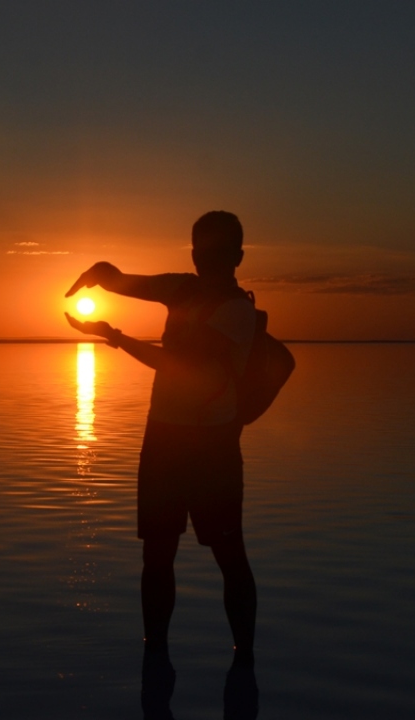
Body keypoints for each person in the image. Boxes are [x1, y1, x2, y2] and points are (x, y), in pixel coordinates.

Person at [64, 211, 258, 667]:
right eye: (200, 251)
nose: (204, 259)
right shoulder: (179, 287)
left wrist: (113, 337)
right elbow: (126, 281)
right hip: (164, 440)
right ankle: (155, 654)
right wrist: (101, 274)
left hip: (212, 448)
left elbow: (179, 368)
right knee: (157, 554)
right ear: (193, 254)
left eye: (214, 252)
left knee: (230, 555)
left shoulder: (237, 311)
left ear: (237, 257)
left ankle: (244, 657)